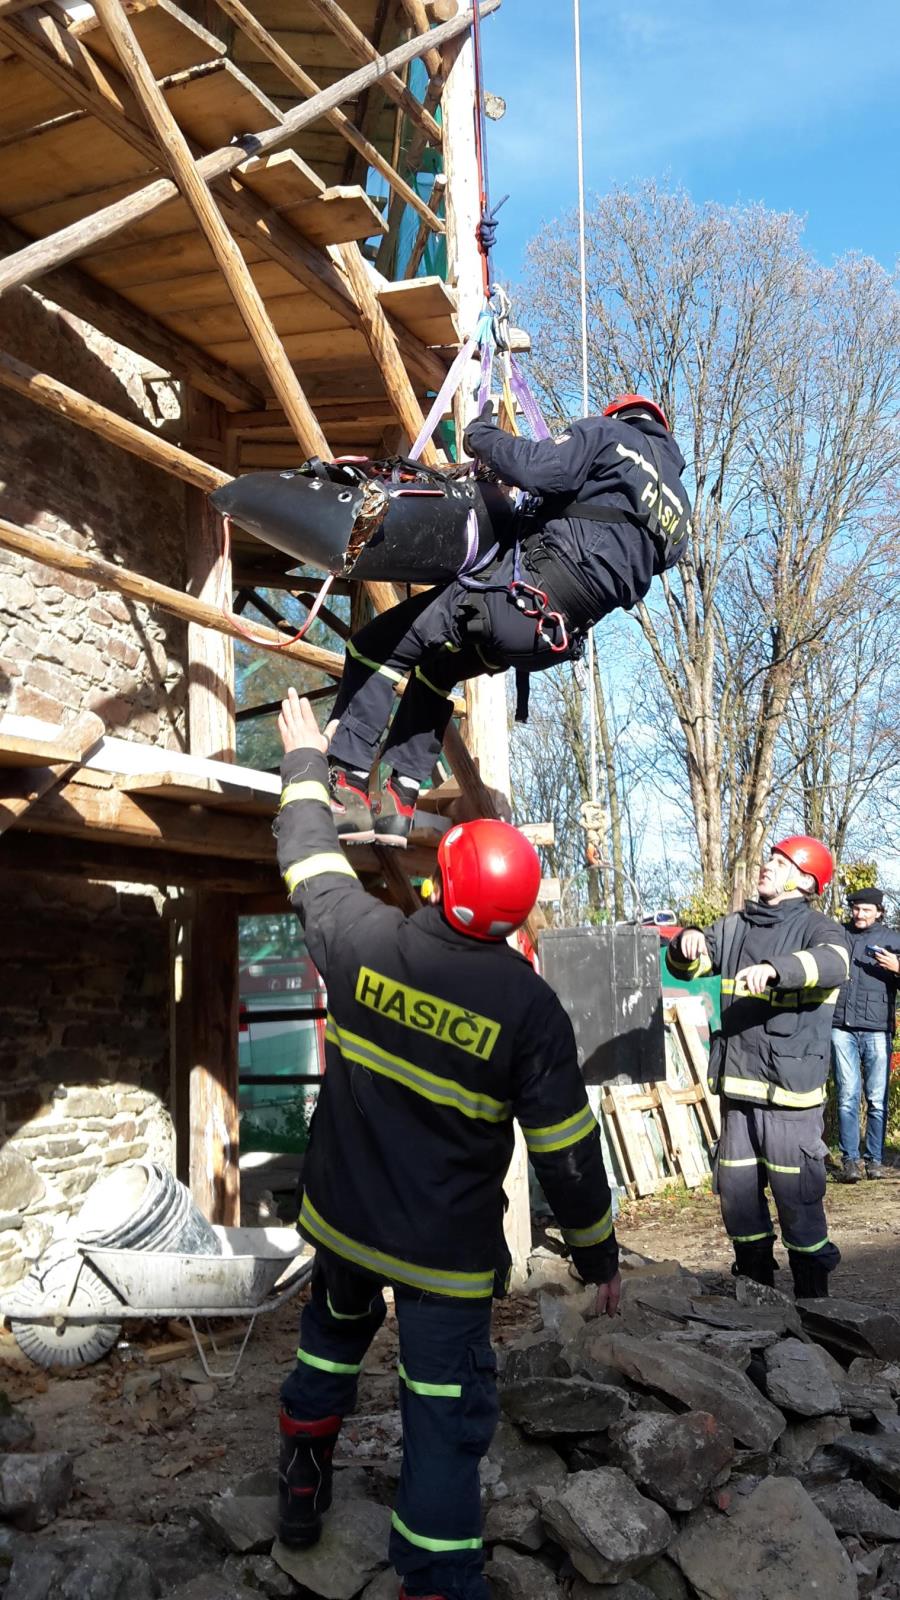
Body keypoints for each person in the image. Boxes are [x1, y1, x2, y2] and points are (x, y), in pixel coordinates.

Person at [273, 688, 620, 1600]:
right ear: (515, 913)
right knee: (440, 1418)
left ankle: (301, 1487)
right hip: (444, 1261)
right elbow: (568, 1155)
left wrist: (308, 766)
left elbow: (306, 855)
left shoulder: (360, 940)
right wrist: (597, 1256)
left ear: (439, 880)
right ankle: (432, 1581)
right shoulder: (529, 1010)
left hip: (345, 1223)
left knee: (326, 1351)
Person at [325, 394, 691, 847]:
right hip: (548, 639)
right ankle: (400, 802)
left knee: (374, 648)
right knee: (437, 670)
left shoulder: (609, 436)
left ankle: (345, 789)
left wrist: (482, 437)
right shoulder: (680, 510)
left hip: (515, 599)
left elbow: (540, 468)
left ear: (620, 416)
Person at [665, 836, 849, 1299]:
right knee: (738, 1202)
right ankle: (756, 1299)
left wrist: (776, 969)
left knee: (799, 1203)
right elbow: (688, 964)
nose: (766, 865)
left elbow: (834, 964)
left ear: (806, 880)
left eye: (780, 861)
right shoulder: (734, 927)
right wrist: (683, 944)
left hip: (789, 1098)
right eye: (768, 857)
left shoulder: (819, 928)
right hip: (737, 1096)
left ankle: (814, 1308)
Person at [831, 887, 900, 1182]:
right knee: (847, 1095)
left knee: (876, 1097)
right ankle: (850, 1161)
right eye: (856, 909)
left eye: (866, 910)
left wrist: (898, 968)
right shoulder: (837, 935)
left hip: (877, 1027)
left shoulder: (893, 940)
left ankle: (874, 1159)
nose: (859, 914)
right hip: (840, 1025)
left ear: (879, 912)